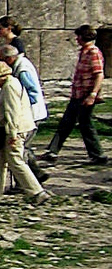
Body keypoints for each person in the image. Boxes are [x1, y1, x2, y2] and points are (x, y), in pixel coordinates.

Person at [0, 61, 50, 205]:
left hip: (15, 129)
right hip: (6, 129)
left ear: (0, 76)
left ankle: (37, 192)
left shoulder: (10, 87)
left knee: (16, 161)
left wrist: (13, 134)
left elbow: (12, 111)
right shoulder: (10, 84)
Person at [44, 24, 107, 165]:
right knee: (67, 122)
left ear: (84, 37)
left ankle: (98, 154)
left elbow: (99, 74)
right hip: (77, 94)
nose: (76, 39)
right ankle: (52, 151)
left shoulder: (93, 52)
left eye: (78, 36)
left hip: (86, 95)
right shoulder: (83, 52)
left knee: (85, 124)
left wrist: (93, 94)